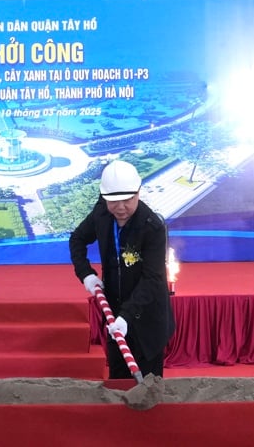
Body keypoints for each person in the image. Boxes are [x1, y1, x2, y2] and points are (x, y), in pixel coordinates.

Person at [70, 160, 175, 378]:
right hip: (115, 314)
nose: (120, 208)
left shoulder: (152, 227)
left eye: (127, 200)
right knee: (118, 381)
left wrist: (126, 316)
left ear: (138, 192)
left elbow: (153, 279)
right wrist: (86, 274)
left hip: (147, 318)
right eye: (113, 201)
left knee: (147, 386)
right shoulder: (101, 215)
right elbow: (77, 240)